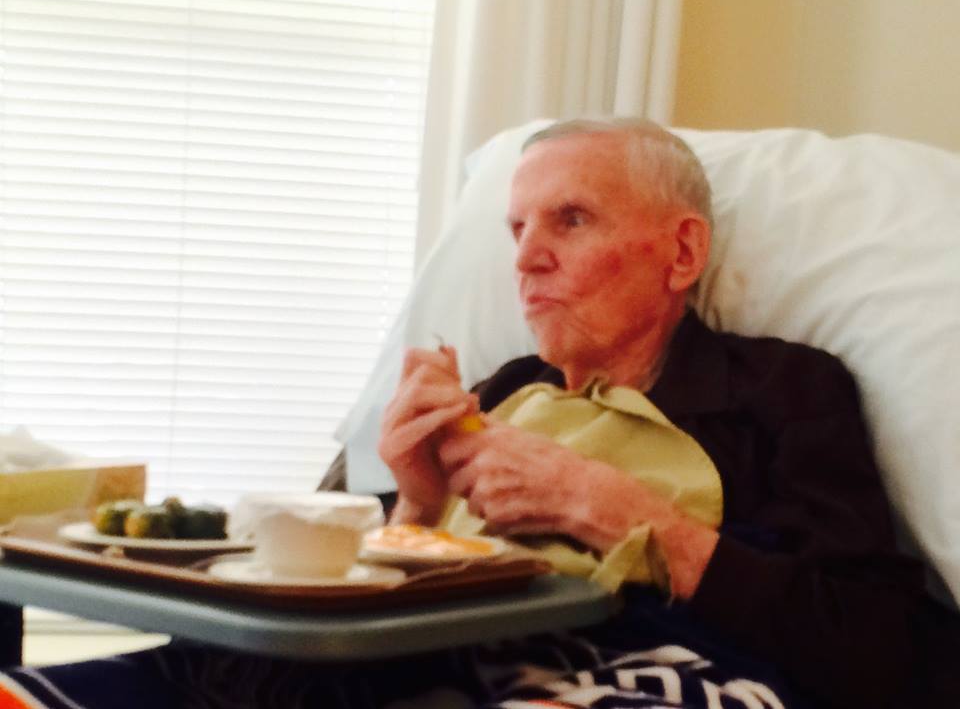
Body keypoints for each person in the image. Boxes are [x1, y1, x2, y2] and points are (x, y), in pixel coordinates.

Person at [2, 119, 957, 709]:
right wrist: (411, 513)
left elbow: (886, 655)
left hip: (622, 672)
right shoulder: (499, 392)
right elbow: (331, 639)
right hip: (405, 666)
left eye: (570, 220)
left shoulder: (783, 390)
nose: (526, 255)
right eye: (516, 228)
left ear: (680, 253)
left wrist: (623, 513)